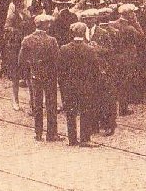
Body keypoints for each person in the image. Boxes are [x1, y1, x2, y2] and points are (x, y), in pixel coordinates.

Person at [18, 14, 60, 142]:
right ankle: (51, 134)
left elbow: (21, 60)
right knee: (51, 104)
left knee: (37, 104)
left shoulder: (27, 40)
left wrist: (28, 73)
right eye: (48, 23)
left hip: (35, 75)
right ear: (45, 25)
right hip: (50, 75)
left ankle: (38, 133)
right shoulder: (51, 40)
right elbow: (57, 59)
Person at [58, 22, 100, 147]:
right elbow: (95, 70)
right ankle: (84, 138)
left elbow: (60, 69)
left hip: (69, 86)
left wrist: (63, 85)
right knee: (85, 111)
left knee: (70, 112)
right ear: (84, 33)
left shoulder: (64, 49)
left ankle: (72, 139)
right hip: (85, 85)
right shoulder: (90, 49)